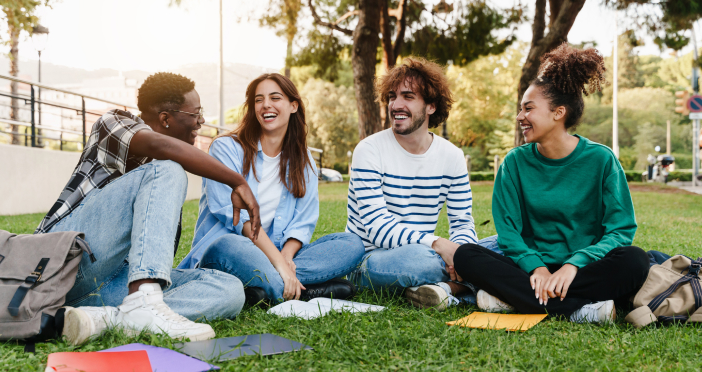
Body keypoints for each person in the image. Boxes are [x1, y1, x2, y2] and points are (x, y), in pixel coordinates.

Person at [39, 72, 261, 345]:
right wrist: (237, 180)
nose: (201, 121)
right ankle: (141, 303)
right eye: (196, 113)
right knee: (169, 169)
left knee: (229, 289)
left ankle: (105, 318)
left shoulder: (160, 182)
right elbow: (160, 145)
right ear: (166, 118)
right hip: (63, 263)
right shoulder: (112, 123)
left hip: (112, 282)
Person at [451, 44, 650, 323]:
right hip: (528, 270)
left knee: (635, 261)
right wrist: (537, 268)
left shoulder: (602, 160)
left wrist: (573, 265)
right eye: (520, 109)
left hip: (584, 269)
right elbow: (508, 234)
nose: (520, 117)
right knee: (466, 255)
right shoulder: (514, 163)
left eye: (528, 108)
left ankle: (515, 300)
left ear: (558, 113)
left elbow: (620, 230)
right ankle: (580, 309)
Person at [179, 73, 365, 306]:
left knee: (351, 244)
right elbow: (237, 219)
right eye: (259, 100)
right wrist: (278, 262)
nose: (266, 104)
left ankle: (262, 290)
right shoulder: (226, 148)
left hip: (275, 256)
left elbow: (303, 222)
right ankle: (300, 291)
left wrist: (286, 258)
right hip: (230, 252)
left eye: (275, 97)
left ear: (293, 106)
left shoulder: (304, 158)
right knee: (230, 245)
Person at [346, 57, 481, 311]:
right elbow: (377, 228)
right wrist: (440, 245)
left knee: (499, 247)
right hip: (370, 261)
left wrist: (460, 254)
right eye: (391, 97)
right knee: (422, 262)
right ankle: (469, 286)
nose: (396, 105)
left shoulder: (452, 156)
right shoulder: (369, 150)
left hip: (425, 251)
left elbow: (463, 223)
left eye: (408, 97)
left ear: (431, 106)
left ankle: (442, 290)